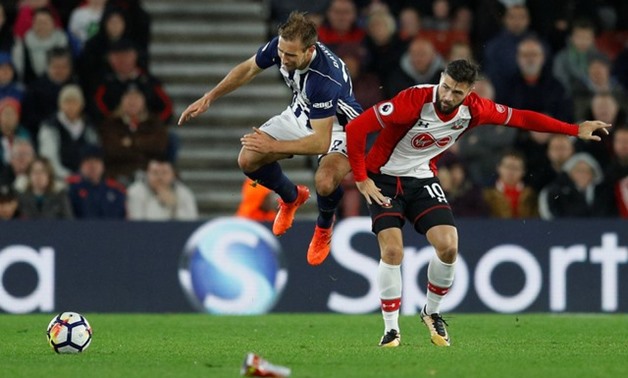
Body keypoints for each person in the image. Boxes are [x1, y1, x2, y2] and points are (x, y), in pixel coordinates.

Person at [344, 59, 610, 348]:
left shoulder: (477, 109)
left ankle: (431, 312)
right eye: (445, 87)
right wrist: (361, 179)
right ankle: (391, 329)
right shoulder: (413, 100)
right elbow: (357, 128)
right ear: (441, 79)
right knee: (393, 250)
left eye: (456, 93)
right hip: (382, 178)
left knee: (449, 246)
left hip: (421, 179)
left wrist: (574, 129)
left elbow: (522, 118)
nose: (447, 97)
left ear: (470, 91)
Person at [178, 11, 363, 266]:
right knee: (248, 160)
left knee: (325, 181)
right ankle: (291, 197)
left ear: (309, 51)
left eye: (290, 55)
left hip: (340, 126)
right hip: (302, 112)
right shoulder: (282, 46)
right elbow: (248, 69)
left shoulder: (323, 79)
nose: (283, 60)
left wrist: (273, 146)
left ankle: (323, 227)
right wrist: (210, 96)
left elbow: (320, 142)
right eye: (282, 52)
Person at [38, 84, 100, 180]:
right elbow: (49, 158)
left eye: (74, 102)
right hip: (58, 178)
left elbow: (94, 155)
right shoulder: (50, 127)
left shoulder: (89, 126)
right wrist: (68, 176)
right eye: (67, 102)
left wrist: (86, 174)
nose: (71, 106)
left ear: (81, 105)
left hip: (85, 178)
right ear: (60, 104)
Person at [126, 157, 198, 220]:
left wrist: (173, 206)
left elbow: (190, 221)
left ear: (173, 175)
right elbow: (136, 222)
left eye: (164, 173)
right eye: (155, 172)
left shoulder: (184, 193)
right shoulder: (135, 191)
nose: (160, 177)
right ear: (147, 174)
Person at [66, 146, 126, 219]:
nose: (93, 166)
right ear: (81, 166)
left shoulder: (115, 190)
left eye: (96, 161)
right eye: (88, 162)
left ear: (103, 166)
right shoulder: (71, 189)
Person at [483, 150, 539, 219]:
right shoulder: (486, 194)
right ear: (498, 168)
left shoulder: (531, 195)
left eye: (516, 168)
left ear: (523, 171)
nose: (511, 171)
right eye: (507, 167)